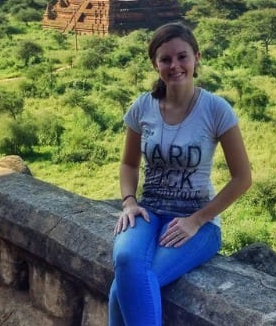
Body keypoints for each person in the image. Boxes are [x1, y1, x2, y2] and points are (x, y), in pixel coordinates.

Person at [108, 22, 252, 326]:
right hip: (147, 213)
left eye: (182, 57)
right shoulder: (142, 107)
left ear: (196, 58)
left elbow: (242, 178)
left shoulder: (216, 109)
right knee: (125, 260)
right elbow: (129, 164)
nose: (175, 65)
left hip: (197, 222)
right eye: (165, 59)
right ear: (155, 64)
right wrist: (129, 201)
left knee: (125, 284)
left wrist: (196, 220)